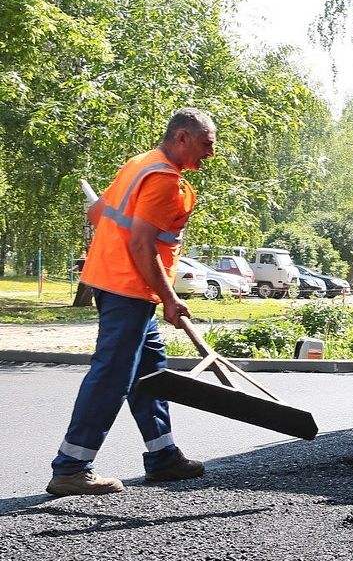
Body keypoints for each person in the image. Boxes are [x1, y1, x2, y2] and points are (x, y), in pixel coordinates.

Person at [48, 108, 215, 496]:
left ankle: (163, 458)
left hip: (116, 282)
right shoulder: (162, 180)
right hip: (127, 287)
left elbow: (96, 213)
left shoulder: (139, 164)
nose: (210, 153)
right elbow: (142, 243)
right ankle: (71, 467)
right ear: (182, 138)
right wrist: (171, 298)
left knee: (150, 373)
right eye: (206, 144)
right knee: (112, 376)